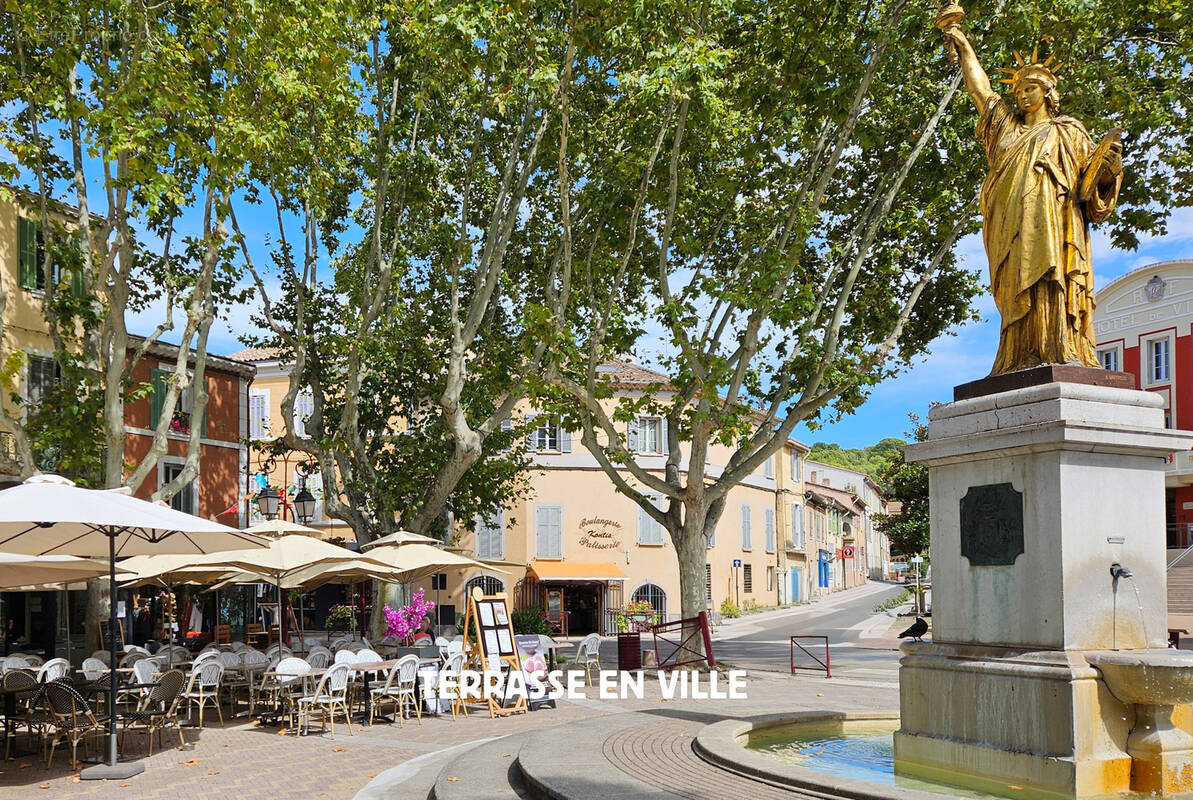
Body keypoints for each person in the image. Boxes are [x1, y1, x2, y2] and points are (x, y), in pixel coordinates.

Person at [942, 22, 1122, 375]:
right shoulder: (1005, 131)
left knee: (1055, 283)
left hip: (1059, 228)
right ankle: (1020, 355)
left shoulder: (1069, 132)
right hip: (1012, 229)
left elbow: (1091, 188)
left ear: (1047, 92)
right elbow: (981, 91)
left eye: (1029, 88)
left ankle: (1063, 348)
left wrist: (1109, 171)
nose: (1022, 95)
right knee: (1018, 291)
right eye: (1018, 90)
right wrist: (962, 43)